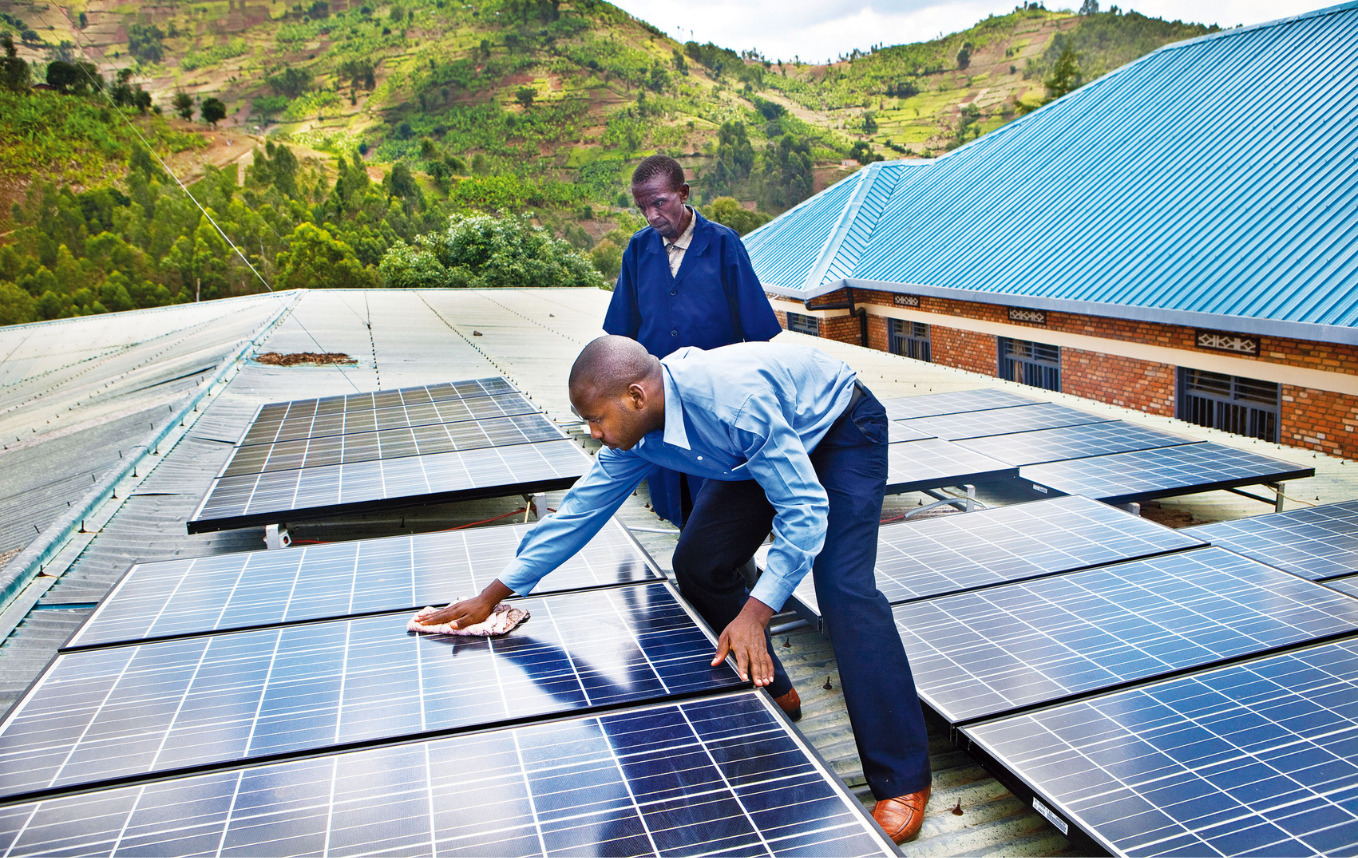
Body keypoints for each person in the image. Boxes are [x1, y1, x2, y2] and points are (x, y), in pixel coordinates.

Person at [423, 336, 933, 843]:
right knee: (699, 563)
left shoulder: (733, 404)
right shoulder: (639, 432)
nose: (594, 433)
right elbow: (581, 510)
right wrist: (494, 593)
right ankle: (775, 686)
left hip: (840, 427)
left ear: (637, 397)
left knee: (843, 591)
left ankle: (902, 778)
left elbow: (804, 514)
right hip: (758, 444)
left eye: (597, 419)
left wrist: (756, 613)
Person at [604, 154, 782, 526]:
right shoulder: (638, 251)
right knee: (672, 498)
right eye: (642, 208)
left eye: (659, 202)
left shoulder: (722, 245)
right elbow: (621, 335)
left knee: (718, 502)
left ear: (682, 194)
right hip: (659, 401)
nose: (652, 216)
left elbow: (759, 334)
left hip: (716, 399)